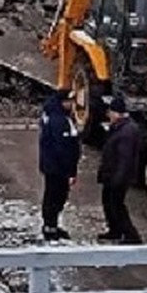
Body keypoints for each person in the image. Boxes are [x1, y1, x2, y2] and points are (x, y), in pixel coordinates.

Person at [98, 94, 143, 244]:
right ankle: (115, 230)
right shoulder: (120, 127)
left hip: (118, 177)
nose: (108, 115)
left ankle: (131, 235)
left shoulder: (126, 132)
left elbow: (125, 159)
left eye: (110, 112)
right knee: (108, 203)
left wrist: (118, 179)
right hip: (112, 174)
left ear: (116, 113)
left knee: (117, 205)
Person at [39, 88, 81, 240]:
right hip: (58, 168)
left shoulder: (54, 115)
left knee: (53, 196)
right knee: (56, 197)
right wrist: (70, 171)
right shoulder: (59, 121)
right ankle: (50, 227)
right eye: (70, 101)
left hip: (53, 166)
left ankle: (51, 225)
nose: (72, 104)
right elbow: (63, 148)